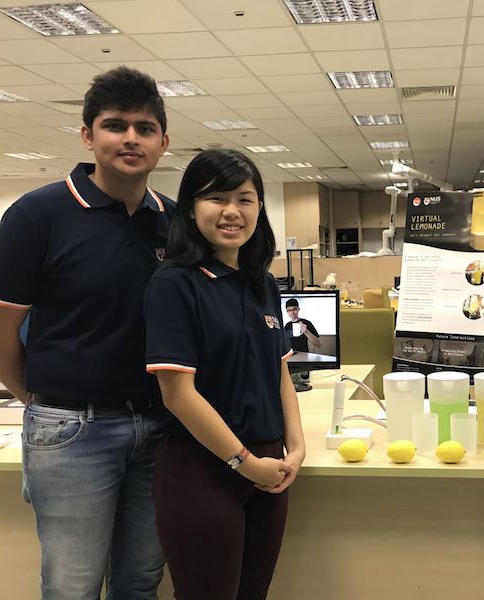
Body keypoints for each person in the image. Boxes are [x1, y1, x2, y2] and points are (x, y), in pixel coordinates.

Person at [0, 66, 171, 599]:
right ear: (88, 134)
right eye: (115, 125)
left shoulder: (173, 222)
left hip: (161, 429)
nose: (130, 138)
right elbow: (2, 334)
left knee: (141, 580)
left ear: (164, 141)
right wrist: (43, 402)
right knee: (73, 585)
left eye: (144, 128)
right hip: (72, 433)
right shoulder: (37, 215)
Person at [143, 149, 305, 600]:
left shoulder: (263, 283)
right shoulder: (175, 284)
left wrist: (297, 446)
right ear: (191, 208)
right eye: (216, 198)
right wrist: (246, 463)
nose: (232, 211)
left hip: (270, 468)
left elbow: (280, 375)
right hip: (204, 470)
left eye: (245, 198)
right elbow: (178, 395)